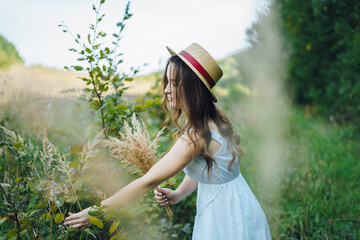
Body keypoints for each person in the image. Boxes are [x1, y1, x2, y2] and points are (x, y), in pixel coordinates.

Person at [64, 43, 271, 239]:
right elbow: (212, 170)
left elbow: (149, 181)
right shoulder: (214, 122)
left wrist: (97, 211)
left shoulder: (195, 136)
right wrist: (179, 193)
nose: (166, 90)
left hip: (224, 219)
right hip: (240, 207)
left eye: (175, 83)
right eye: (167, 82)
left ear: (193, 88)